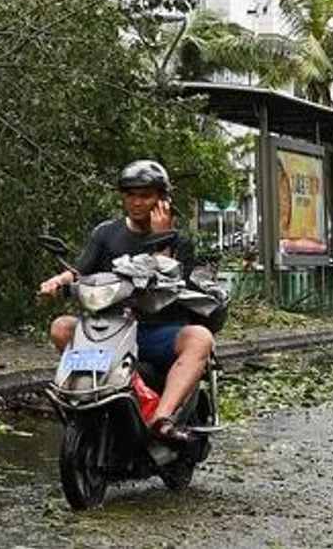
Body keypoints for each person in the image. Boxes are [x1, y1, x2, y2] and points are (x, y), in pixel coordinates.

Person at [37, 160, 215, 443]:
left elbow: (169, 278)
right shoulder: (106, 233)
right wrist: (57, 282)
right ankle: (87, 394)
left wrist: (160, 237)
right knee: (61, 327)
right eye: (130, 195)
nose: (136, 202)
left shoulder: (180, 241)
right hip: (111, 330)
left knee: (200, 338)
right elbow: (79, 271)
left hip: (157, 333)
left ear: (162, 198)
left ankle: (162, 417)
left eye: (145, 195)